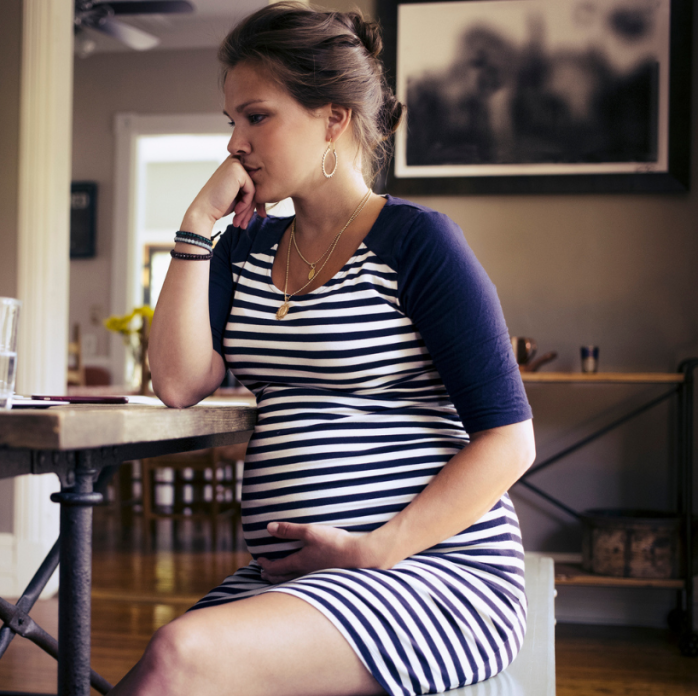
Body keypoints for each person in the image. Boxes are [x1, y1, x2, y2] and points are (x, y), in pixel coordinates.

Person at [128, 4, 536, 696]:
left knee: (177, 657)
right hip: (300, 581)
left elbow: (510, 442)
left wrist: (377, 549)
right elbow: (176, 381)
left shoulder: (418, 242)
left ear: (333, 119)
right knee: (149, 671)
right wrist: (197, 225)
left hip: (432, 574)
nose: (235, 145)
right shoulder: (244, 249)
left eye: (256, 117)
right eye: (230, 122)